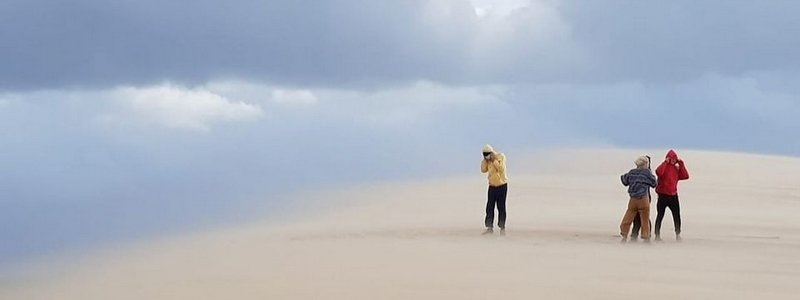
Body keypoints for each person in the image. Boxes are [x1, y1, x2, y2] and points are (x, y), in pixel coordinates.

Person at [619, 156, 657, 243]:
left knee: (628, 217)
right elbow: (654, 183)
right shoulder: (647, 173)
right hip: (643, 198)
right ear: (645, 164)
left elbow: (624, 181)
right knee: (645, 219)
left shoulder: (632, 172)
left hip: (633, 199)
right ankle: (646, 237)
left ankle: (624, 235)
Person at [654, 149, 690, 241]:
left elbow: (685, 176)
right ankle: (657, 235)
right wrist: (665, 162)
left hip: (673, 196)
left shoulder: (676, 168)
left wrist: (681, 164)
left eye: (675, 158)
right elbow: (658, 172)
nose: (673, 160)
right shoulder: (664, 167)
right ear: (668, 158)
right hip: (663, 196)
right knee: (660, 215)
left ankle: (678, 234)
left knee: (676, 215)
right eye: (671, 158)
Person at [480, 144, 508, 235]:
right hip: (492, 186)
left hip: (501, 186)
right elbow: (483, 170)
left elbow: (501, 168)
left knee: (501, 207)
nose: (486, 156)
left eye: (487, 154)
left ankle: (502, 227)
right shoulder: (487, 161)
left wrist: (494, 160)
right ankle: (489, 227)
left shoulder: (501, 156)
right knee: (489, 207)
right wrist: (485, 160)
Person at [630, 155, 652, 242]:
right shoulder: (644, 172)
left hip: (644, 197)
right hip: (642, 197)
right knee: (640, 217)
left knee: (642, 217)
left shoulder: (646, 172)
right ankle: (640, 236)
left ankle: (639, 236)